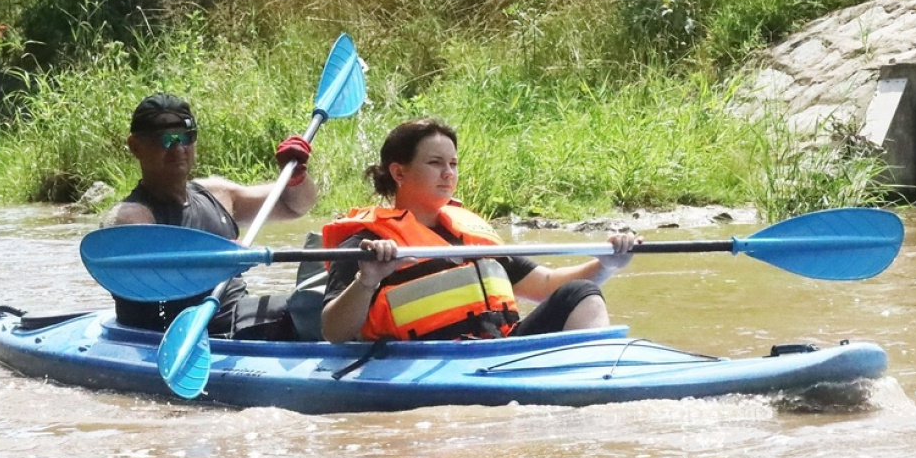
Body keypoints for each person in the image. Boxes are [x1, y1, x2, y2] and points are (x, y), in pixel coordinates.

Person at [320, 118, 637, 343]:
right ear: (399, 172)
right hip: (423, 360)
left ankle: (596, 378)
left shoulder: (472, 235)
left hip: (498, 353)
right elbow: (334, 332)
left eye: (453, 164)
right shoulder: (367, 243)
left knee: (579, 293)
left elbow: (545, 285)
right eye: (435, 163)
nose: (448, 173)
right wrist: (367, 280)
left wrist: (606, 264)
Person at [102, 93, 317, 337]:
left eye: (186, 137)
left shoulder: (218, 194)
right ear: (135, 146)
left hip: (236, 319)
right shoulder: (131, 217)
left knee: (319, 301)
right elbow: (146, 271)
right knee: (310, 310)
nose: (177, 148)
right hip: (179, 333)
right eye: (164, 139)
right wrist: (219, 258)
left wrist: (296, 178)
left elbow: (295, 206)